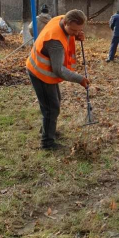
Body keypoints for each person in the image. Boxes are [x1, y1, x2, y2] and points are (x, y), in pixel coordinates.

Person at [26, 9, 90, 150]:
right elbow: (59, 70)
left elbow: (68, 34)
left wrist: (76, 36)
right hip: (40, 72)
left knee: (55, 101)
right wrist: (79, 79)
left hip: (43, 70)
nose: (76, 33)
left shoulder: (60, 18)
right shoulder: (55, 42)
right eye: (74, 30)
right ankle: (47, 143)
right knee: (51, 108)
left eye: (79, 30)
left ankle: (47, 129)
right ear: (66, 23)